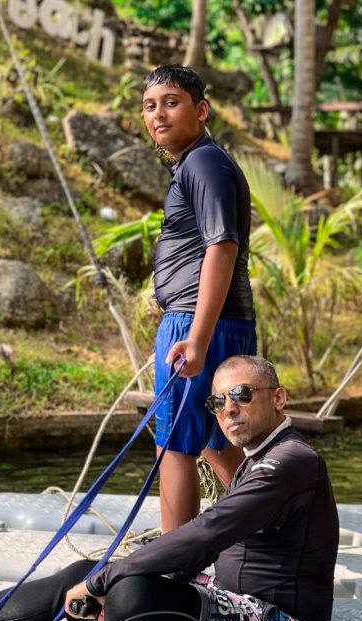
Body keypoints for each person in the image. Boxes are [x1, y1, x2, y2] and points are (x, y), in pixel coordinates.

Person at [0, 355, 339, 621]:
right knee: (85, 571)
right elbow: (201, 546)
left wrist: (105, 582)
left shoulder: (293, 461)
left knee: (123, 592)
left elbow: (209, 531)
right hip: (228, 596)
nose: (228, 408)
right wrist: (98, 577)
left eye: (241, 395)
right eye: (217, 401)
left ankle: (115, 620)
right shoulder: (265, 458)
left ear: (278, 399)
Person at [139, 64, 257, 533]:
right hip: (217, 321)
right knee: (217, 439)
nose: (158, 115)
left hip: (197, 322)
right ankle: (263, 537)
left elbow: (222, 245)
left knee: (173, 445)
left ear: (201, 110)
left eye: (171, 102)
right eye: (150, 106)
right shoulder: (198, 163)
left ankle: (174, 572)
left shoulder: (203, 163)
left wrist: (197, 337)